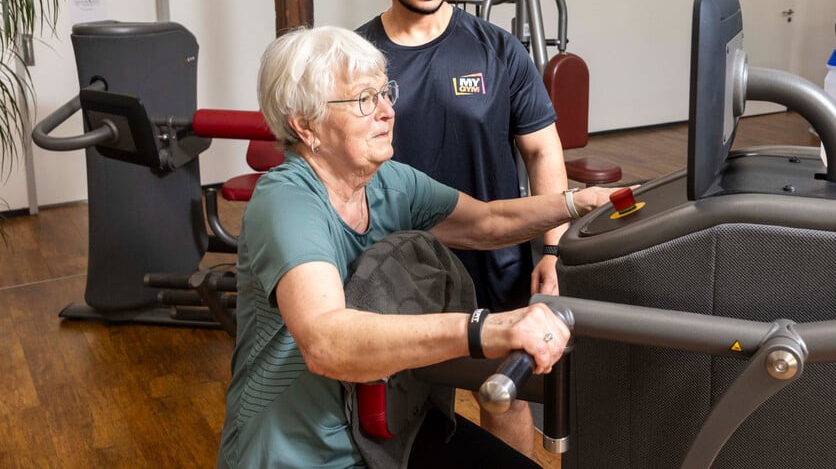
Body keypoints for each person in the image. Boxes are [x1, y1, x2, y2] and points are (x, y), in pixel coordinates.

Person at [216, 26, 615, 468]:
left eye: (384, 93)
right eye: (364, 100)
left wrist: (580, 203)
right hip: (302, 452)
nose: (388, 111)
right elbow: (326, 341)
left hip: (388, 434)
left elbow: (487, 222)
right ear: (305, 125)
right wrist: (486, 329)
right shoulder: (288, 200)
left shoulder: (388, 183)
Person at [356, 0, 568, 456]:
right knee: (397, 406)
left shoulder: (496, 49)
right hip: (396, 266)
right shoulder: (357, 60)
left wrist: (552, 250)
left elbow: (542, 150)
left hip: (493, 263)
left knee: (504, 398)